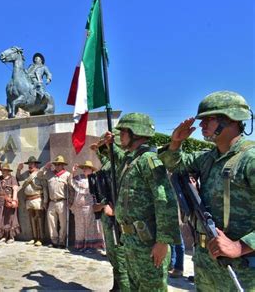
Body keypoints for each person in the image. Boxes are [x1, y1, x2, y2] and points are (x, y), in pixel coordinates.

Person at [158, 91, 254, 291]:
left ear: (230, 119)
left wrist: (241, 246)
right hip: (206, 262)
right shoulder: (207, 158)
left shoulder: (250, 159)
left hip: (241, 268)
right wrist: (175, 142)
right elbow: (173, 164)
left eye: (208, 119)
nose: (201, 125)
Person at [98, 112, 180, 291]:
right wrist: (108, 146)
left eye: (124, 131)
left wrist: (163, 241)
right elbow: (117, 157)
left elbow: (164, 199)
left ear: (135, 133)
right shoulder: (132, 159)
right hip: (131, 241)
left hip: (148, 243)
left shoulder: (148, 160)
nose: (120, 136)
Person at [91, 131, 130, 292]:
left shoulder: (124, 162)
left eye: (106, 143)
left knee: (121, 257)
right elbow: (105, 160)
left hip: (118, 218)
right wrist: (98, 149)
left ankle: (124, 287)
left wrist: (116, 208)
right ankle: (117, 285)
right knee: (113, 255)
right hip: (107, 215)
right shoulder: (109, 163)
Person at [70, 161, 104, 253]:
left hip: (89, 207)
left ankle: (90, 246)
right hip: (79, 207)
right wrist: (73, 172)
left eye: (87, 168)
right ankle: (80, 245)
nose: (84, 169)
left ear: (91, 170)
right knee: (80, 227)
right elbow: (71, 183)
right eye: (83, 168)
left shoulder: (94, 179)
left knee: (89, 227)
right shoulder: (78, 178)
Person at [40, 155, 72, 249]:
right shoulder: (49, 174)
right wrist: (45, 167)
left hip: (62, 201)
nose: (57, 166)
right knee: (51, 223)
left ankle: (62, 241)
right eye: (56, 164)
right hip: (51, 202)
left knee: (63, 223)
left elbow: (71, 189)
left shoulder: (67, 174)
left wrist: (70, 201)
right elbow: (39, 175)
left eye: (59, 164)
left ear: (63, 165)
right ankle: (54, 241)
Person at [16, 156, 48, 247]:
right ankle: (34, 237)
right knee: (32, 219)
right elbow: (18, 177)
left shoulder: (39, 174)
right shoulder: (26, 173)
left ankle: (40, 238)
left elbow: (44, 187)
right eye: (29, 164)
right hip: (29, 199)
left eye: (32, 164)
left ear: (36, 164)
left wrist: (45, 201)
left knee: (39, 219)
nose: (30, 165)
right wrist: (18, 170)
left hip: (38, 199)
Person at [0, 163, 21, 243]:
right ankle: (2, 236)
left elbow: (15, 189)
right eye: (2, 170)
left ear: (8, 171)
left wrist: (14, 200)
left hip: (8, 201)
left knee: (9, 219)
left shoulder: (12, 178)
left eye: (5, 170)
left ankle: (10, 237)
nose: (3, 172)